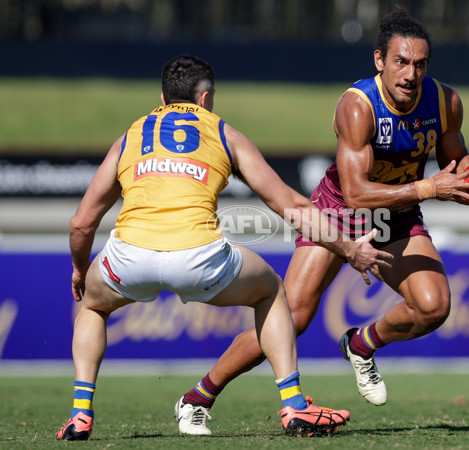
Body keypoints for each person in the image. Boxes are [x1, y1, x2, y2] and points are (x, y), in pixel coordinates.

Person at [176, 7, 469, 435]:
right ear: (379, 60)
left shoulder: (445, 101)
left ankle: (361, 345)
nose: (410, 74)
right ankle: (197, 398)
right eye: (401, 62)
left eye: (420, 64)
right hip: (337, 213)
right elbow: (358, 191)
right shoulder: (358, 106)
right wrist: (428, 189)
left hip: (395, 218)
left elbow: (457, 165)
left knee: (433, 307)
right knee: (293, 319)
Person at [55, 55, 394, 441]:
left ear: (162, 97)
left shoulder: (130, 136)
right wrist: (349, 248)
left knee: (93, 306)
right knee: (271, 290)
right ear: (205, 98)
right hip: (200, 258)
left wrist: (81, 269)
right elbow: (292, 207)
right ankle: (294, 404)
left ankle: (80, 414)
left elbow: (82, 222)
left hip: (130, 256)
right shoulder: (223, 133)